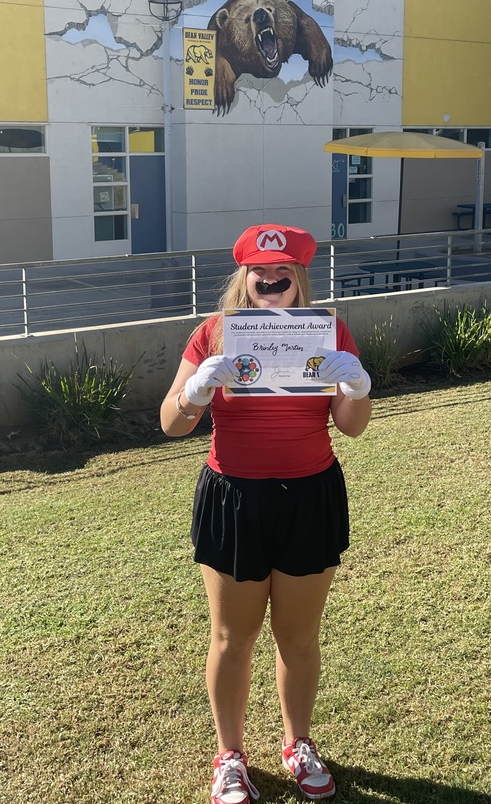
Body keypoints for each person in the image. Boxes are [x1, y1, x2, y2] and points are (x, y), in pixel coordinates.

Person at [160, 224, 371, 804]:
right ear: (244, 276)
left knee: (299, 638)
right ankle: (229, 756)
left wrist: (355, 386)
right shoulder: (213, 333)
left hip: (309, 494)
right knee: (233, 636)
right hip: (234, 497)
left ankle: (296, 743)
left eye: (281, 271)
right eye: (258, 269)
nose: (270, 279)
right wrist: (196, 392)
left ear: (298, 276)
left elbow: (351, 426)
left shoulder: (328, 331)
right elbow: (170, 423)